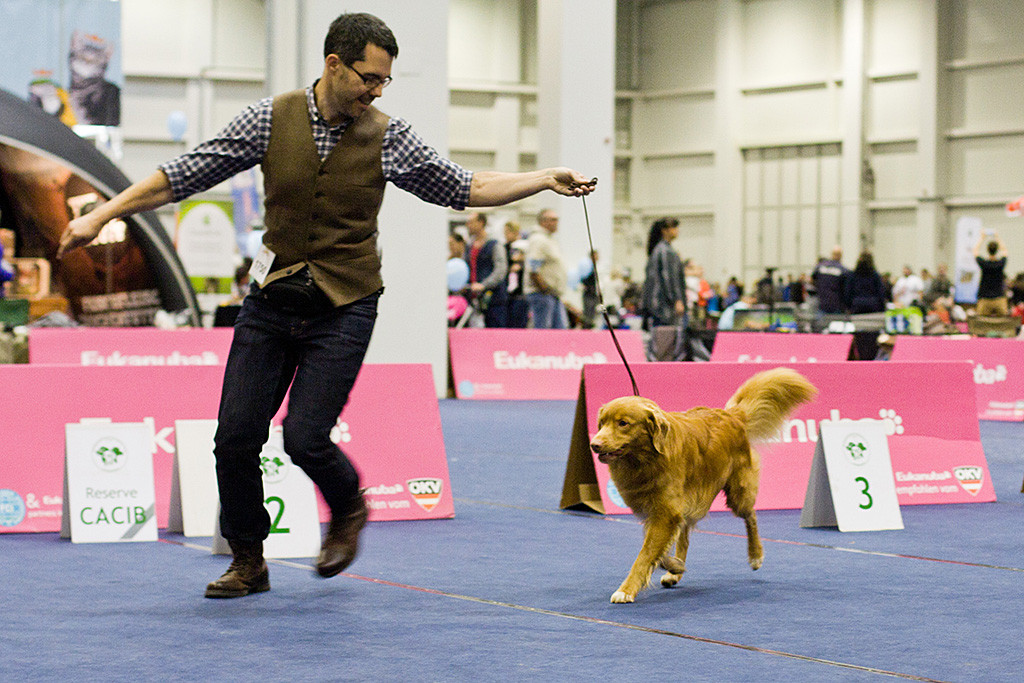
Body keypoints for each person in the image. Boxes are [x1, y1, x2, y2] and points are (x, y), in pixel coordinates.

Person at [57, 12, 596, 599]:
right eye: (369, 78)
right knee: (234, 438)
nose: (377, 91)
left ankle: (347, 506)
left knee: (305, 436)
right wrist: (101, 215)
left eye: (385, 81)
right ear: (334, 64)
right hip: (270, 301)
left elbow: (463, 186)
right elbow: (181, 176)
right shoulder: (269, 119)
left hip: (346, 304)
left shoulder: (389, 135)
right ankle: (248, 560)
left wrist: (543, 178)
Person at [524, 209, 569, 328]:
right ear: (543, 222)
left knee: (559, 330)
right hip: (542, 294)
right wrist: (544, 289)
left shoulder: (549, 239)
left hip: (551, 294)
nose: (556, 223)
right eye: (553, 220)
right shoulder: (539, 240)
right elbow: (533, 269)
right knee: (543, 330)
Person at [463, 212, 507, 328]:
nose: (468, 225)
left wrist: (484, 285)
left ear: (481, 223)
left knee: (495, 331)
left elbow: (501, 270)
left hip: (493, 298)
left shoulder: (494, 244)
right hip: (473, 298)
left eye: (471, 222)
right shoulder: (469, 245)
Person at [973, 229, 1008, 316]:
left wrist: (982, 238)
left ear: (987, 250)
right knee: (1003, 321)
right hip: (999, 298)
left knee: (981, 321)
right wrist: (997, 237)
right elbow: (1005, 251)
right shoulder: (1000, 264)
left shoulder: (984, 264)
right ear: (997, 250)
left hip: (984, 299)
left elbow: (975, 251)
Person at [502, 221, 529, 328]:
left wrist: (522, 261)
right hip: (507, 292)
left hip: (520, 292)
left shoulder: (523, 247)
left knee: (519, 323)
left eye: (508, 232)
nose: (506, 235)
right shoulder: (505, 248)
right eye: (505, 232)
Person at [811, 245, 849, 315]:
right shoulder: (844, 271)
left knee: (820, 321)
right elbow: (846, 289)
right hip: (836, 306)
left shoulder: (820, 267)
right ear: (841, 256)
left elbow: (813, 280)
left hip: (822, 304)